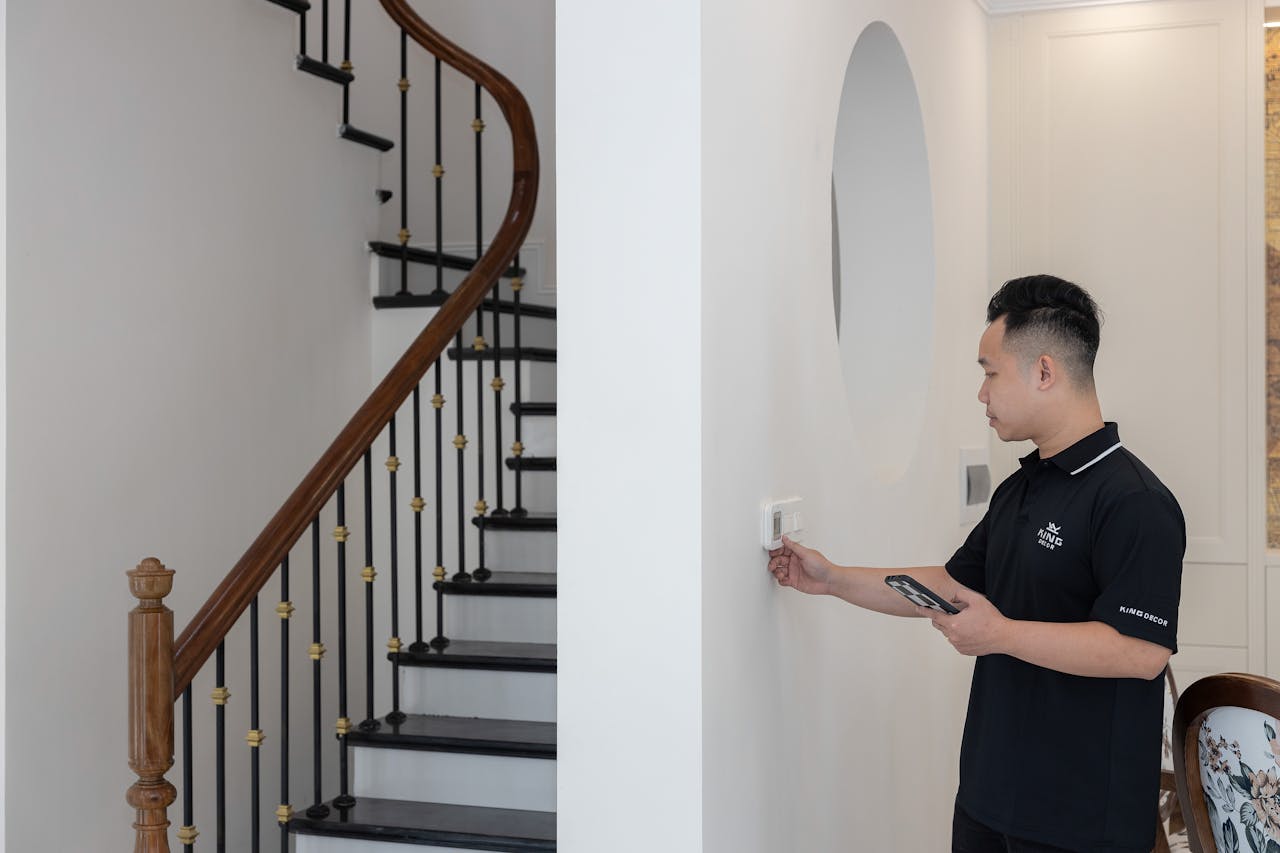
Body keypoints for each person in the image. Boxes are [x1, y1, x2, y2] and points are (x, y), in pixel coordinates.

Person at [768, 275, 1184, 853]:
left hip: (1082, 818)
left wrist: (1001, 635)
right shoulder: (1021, 488)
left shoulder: (1134, 501)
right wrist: (833, 579)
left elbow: (1140, 652)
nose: (981, 394)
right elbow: (951, 584)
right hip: (989, 800)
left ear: (1044, 371)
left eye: (990, 373)